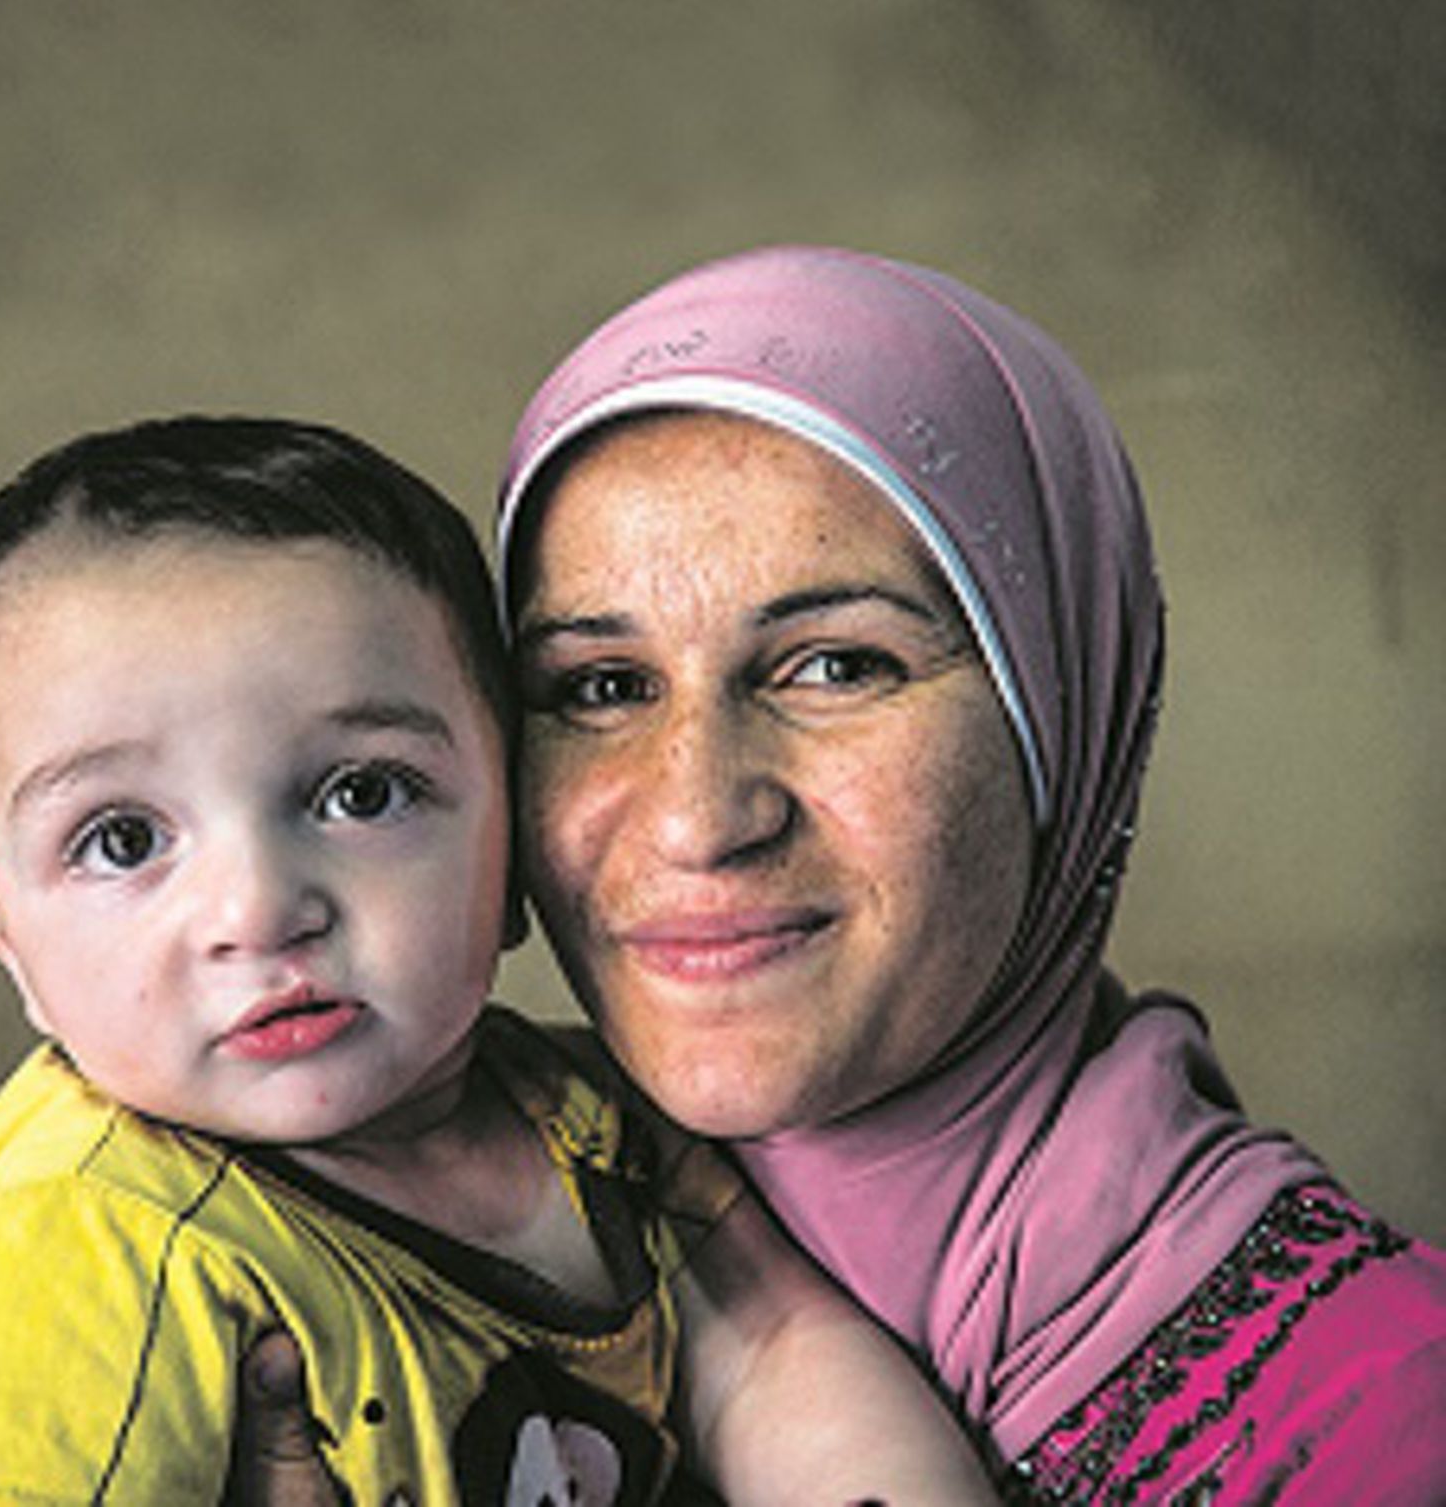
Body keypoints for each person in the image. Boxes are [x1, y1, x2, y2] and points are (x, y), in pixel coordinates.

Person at [0, 415, 996, 1505]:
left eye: (361, 793)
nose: (259, 911)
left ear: (515, 849)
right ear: (8, 948)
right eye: (122, 840)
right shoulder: (75, 1248)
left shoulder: (589, 1117)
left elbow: (773, 1354)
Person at [491, 246, 1446, 1502]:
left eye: (838, 666)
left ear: (1064, 712)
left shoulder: (1390, 1414)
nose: (698, 817)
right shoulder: (369, 1304)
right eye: (601, 688)